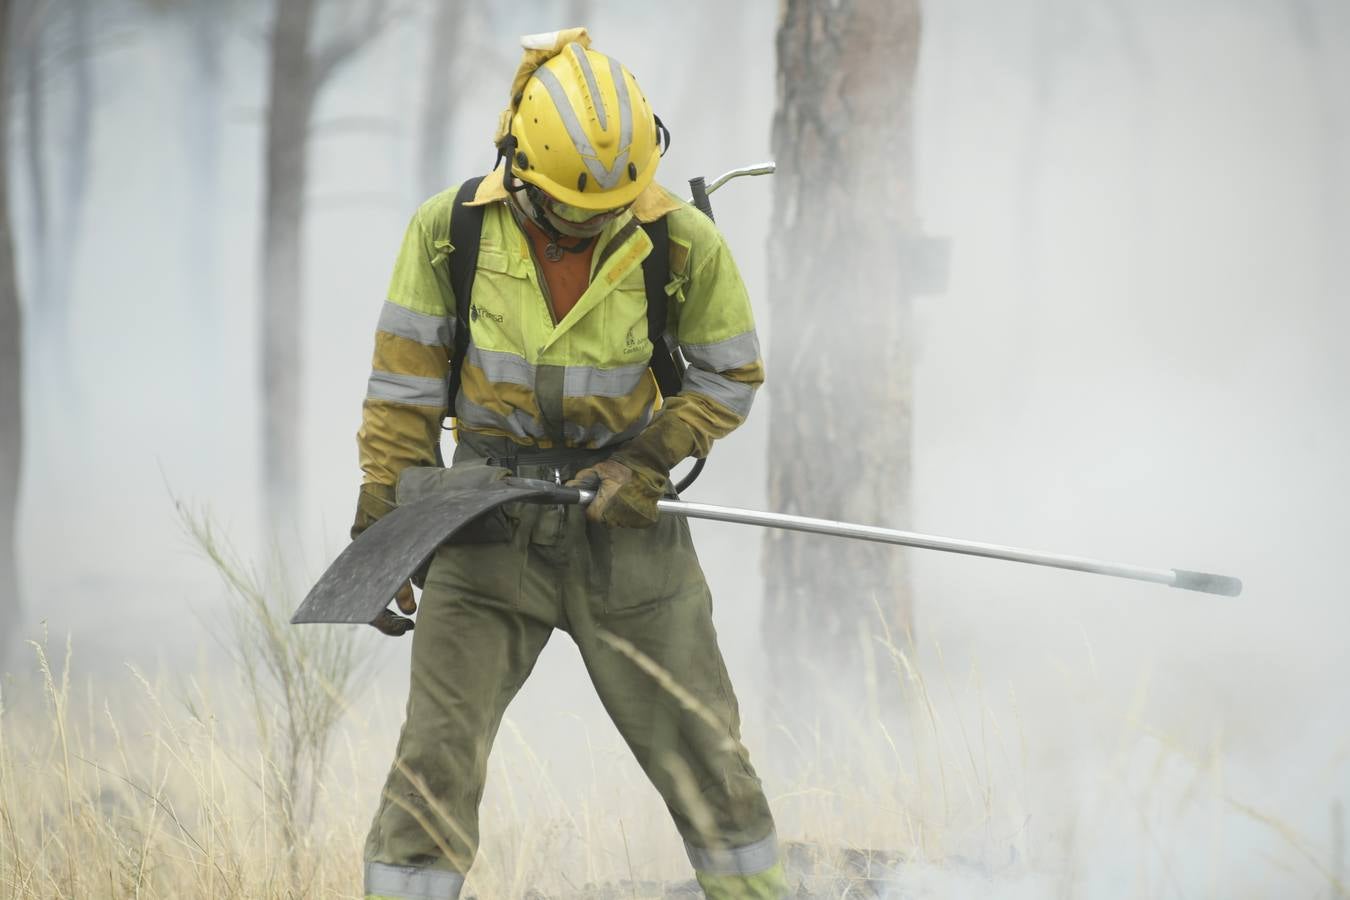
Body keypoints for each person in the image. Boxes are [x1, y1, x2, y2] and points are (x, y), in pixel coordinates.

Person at [352, 28, 786, 900]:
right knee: (434, 765)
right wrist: (385, 527)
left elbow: (730, 375)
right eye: (574, 208)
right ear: (518, 166)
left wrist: (647, 460)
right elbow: (403, 393)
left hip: (625, 528)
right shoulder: (448, 233)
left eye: (613, 205)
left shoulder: (680, 241)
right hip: (481, 522)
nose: (596, 221)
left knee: (706, 757)